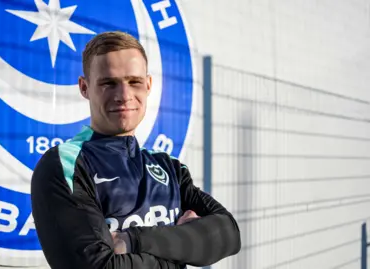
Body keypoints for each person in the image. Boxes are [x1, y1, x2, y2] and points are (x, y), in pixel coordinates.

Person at [30, 31, 241, 269]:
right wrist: (180, 245)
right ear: (84, 87)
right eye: (109, 83)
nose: (124, 96)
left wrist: (132, 240)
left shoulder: (169, 167)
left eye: (134, 82)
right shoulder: (65, 165)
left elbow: (228, 234)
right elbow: (97, 267)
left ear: (148, 85)